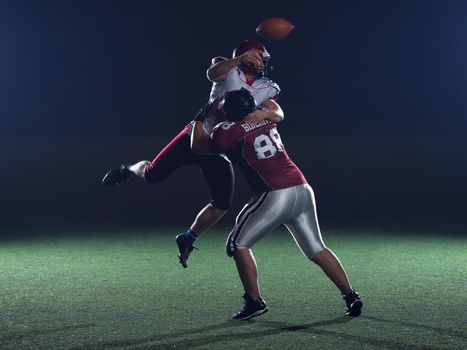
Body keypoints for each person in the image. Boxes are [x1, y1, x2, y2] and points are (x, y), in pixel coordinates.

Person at [101, 40, 284, 268]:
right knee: (152, 174)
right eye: (258, 56)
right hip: (195, 135)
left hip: (219, 146)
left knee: (221, 204)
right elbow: (212, 73)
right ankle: (127, 169)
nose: (262, 61)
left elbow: (278, 113)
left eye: (263, 57)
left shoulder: (265, 86)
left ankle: (188, 237)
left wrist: (263, 114)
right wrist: (239, 59)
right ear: (245, 55)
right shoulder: (229, 69)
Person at [205, 89, 363, 320]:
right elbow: (276, 112)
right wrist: (263, 109)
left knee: (237, 244)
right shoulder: (267, 116)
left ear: (230, 112)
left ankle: (254, 301)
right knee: (316, 248)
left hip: (275, 193)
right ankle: (350, 295)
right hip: (302, 187)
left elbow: (213, 143)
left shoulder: (229, 131)